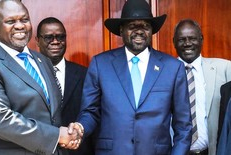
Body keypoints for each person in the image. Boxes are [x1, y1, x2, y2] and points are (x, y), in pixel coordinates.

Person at [69, 0, 192, 154]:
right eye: (132, 26)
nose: (139, 32)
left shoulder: (173, 68)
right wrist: (80, 127)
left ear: (152, 31)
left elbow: (183, 127)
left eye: (145, 27)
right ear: (121, 30)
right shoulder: (100, 64)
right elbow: (90, 111)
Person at [0, 0, 80, 155]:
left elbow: (52, 115)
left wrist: (71, 133)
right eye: (10, 21)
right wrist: (57, 136)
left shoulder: (43, 61)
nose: (20, 26)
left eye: (24, 20)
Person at [35, 17, 94, 155]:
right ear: (37, 41)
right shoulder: (28, 74)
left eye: (60, 37)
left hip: (77, 150)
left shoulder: (85, 74)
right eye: (49, 37)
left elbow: (91, 112)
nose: (55, 41)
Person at [173, 19, 231, 155]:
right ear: (174, 41)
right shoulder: (164, 73)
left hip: (212, 151)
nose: (187, 43)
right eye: (182, 39)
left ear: (201, 39)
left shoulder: (225, 69)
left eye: (192, 38)